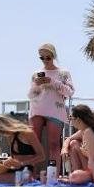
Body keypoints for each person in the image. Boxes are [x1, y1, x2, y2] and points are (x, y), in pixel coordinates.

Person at [28, 43, 75, 172]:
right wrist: (36, 85)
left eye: (47, 57)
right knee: (33, 144)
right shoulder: (36, 74)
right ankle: (30, 175)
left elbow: (70, 92)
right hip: (37, 109)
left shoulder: (63, 73)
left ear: (53, 56)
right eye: (42, 58)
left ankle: (53, 176)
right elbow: (31, 95)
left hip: (55, 110)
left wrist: (52, 82)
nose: (45, 60)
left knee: (54, 144)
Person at [0, 115, 43, 185]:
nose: (2, 134)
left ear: (4, 126)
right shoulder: (10, 136)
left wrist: (21, 163)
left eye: (1, 131)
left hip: (26, 171)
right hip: (14, 169)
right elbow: (14, 158)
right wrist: (7, 161)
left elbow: (42, 156)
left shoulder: (28, 133)